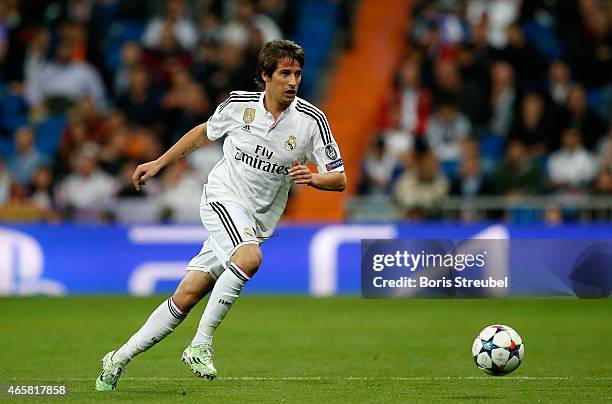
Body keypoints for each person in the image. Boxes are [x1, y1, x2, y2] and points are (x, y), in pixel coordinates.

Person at [96, 39, 347, 391]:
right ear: (265, 75)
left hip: (256, 221)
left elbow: (339, 178)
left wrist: (314, 177)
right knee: (249, 257)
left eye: (298, 74)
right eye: (285, 73)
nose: (293, 81)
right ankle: (200, 344)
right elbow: (202, 134)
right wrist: (158, 163)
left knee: (187, 294)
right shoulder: (239, 105)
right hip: (221, 198)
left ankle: (117, 358)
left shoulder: (311, 121)